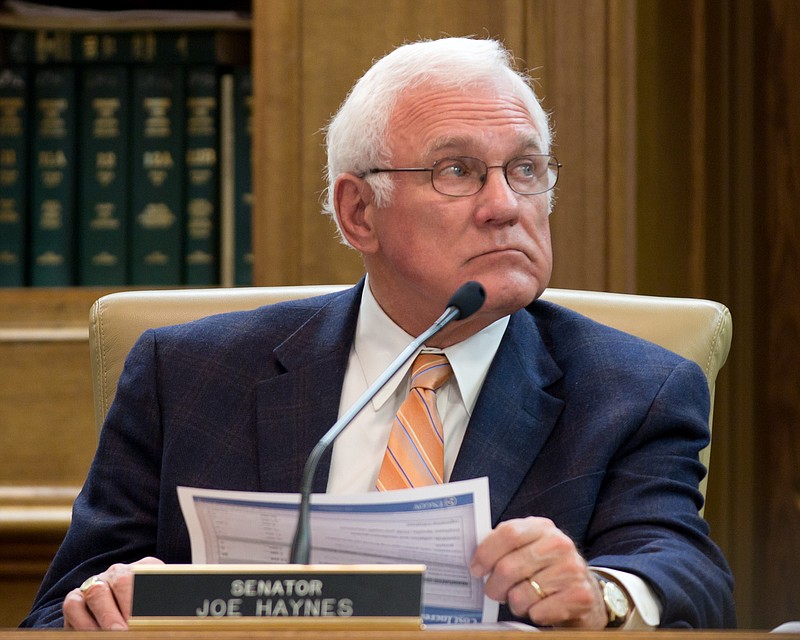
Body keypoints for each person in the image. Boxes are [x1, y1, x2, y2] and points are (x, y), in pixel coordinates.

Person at [21, 36, 735, 630]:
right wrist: (106, 605)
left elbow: (685, 569)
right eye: (459, 171)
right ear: (359, 211)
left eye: (525, 169)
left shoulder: (632, 387)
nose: (505, 205)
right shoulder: (190, 374)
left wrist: (604, 593)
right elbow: (56, 612)